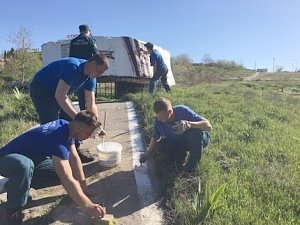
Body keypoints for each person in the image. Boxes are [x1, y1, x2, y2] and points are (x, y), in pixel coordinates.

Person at [0, 111, 106, 225]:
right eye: (88, 133)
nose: (89, 136)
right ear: (79, 128)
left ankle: (17, 186)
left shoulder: (68, 127)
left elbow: (74, 158)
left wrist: (83, 187)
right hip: (6, 160)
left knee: (64, 170)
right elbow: (66, 178)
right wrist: (88, 206)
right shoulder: (57, 138)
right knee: (25, 165)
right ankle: (14, 211)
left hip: (33, 160)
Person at [29, 53, 109, 163]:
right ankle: (53, 159)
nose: (100, 75)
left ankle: (75, 152)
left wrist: (95, 125)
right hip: (42, 89)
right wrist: (79, 119)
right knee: (52, 123)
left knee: (72, 122)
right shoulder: (73, 67)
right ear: (92, 63)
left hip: (58, 92)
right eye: (99, 71)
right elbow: (60, 95)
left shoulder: (91, 77)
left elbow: (91, 104)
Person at [140, 97, 212, 173]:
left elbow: (208, 126)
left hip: (198, 139)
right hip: (179, 142)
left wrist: (189, 125)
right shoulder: (158, 121)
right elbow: (155, 137)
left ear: (170, 112)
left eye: (161, 117)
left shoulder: (182, 111)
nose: (159, 119)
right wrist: (148, 152)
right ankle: (180, 159)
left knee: (195, 134)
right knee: (161, 146)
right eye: (157, 116)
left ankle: (191, 168)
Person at [69, 24, 98, 111]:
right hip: (89, 69)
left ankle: (82, 111)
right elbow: (96, 55)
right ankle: (90, 112)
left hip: (77, 69)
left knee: (80, 92)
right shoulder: (90, 40)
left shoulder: (73, 41)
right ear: (87, 31)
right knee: (90, 91)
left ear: (80, 31)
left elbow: (71, 57)